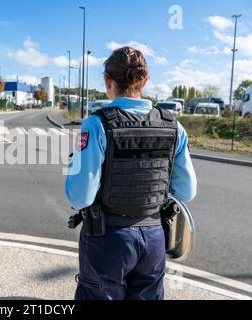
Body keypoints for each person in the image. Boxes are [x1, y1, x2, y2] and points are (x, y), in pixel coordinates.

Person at [65, 47, 197, 300]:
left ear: (107, 81)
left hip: (107, 239)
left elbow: (80, 198)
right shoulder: (173, 127)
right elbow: (186, 192)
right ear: (145, 81)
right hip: (154, 236)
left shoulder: (97, 124)